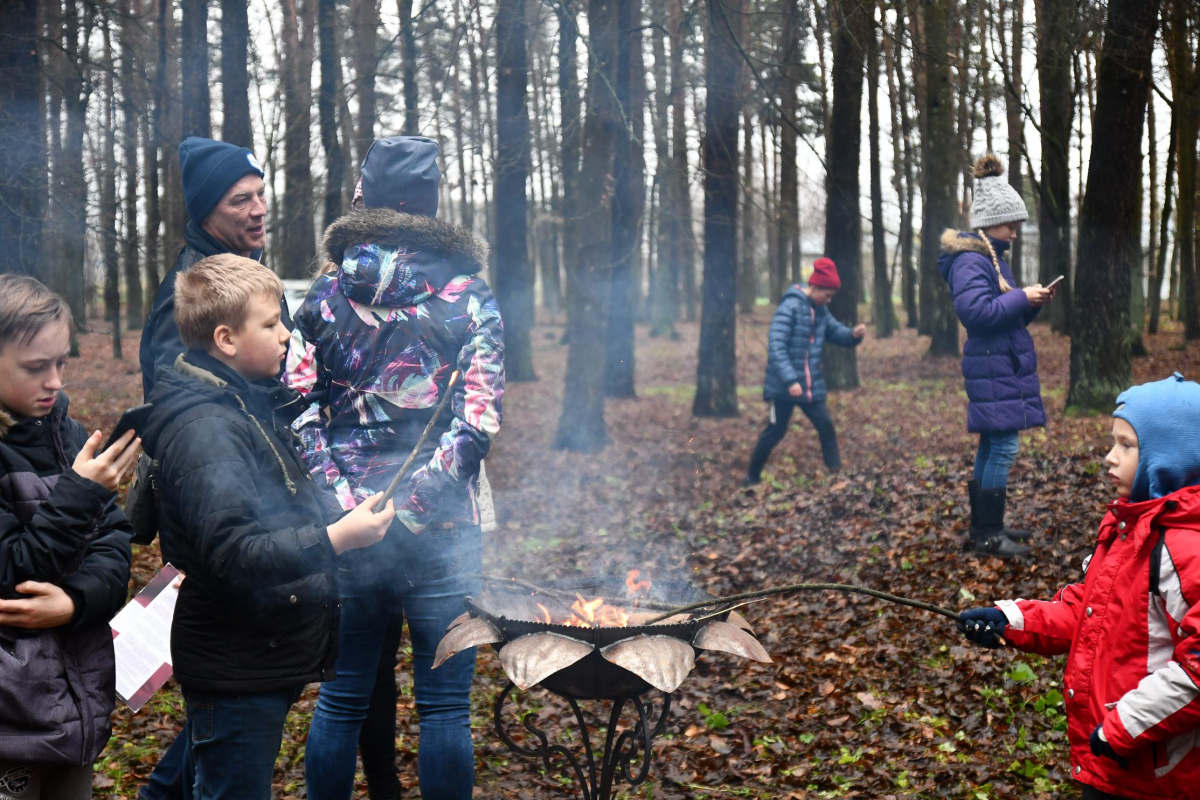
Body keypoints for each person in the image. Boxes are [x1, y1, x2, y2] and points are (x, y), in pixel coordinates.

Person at [286, 135, 504, 800]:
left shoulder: (324, 296)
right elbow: (480, 418)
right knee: (443, 707)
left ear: (367, 200)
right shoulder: (470, 296)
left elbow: (297, 412)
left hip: (354, 531)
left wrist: (349, 507)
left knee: (343, 696)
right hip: (443, 529)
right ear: (432, 205)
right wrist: (414, 507)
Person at [137, 255, 395, 800]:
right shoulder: (208, 427)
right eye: (272, 324)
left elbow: (276, 505)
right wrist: (337, 538)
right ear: (227, 339)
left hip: (252, 655)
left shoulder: (245, 402)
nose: (286, 335)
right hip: (235, 661)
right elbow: (233, 552)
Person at [957, 373, 1200, 800]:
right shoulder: (1126, 529)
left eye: (1127, 445)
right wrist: (1008, 620)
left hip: (1159, 773)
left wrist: (1125, 726)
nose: (1109, 457)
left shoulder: (1185, 550)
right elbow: (1084, 609)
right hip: (1109, 757)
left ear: (1171, 456)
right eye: (1113, 442)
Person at [0, 275, 137, 799]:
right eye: (36, 368)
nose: (55, 382)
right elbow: (13, 571)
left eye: (61, 363)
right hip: (11, 718)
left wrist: (76, 602)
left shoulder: (67, 434)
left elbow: (114, 545)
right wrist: (82, 493)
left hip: (74, 706)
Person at [939, 153, 1055, 558]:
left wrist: (1031, 303)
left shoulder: (992, 260)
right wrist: (1021, 295)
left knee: (993, 444)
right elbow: (978, 314)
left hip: (999, 365)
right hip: (991, 367)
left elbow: (1005, 318)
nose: (1015, 234)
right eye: (1011, 226)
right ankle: (988, 534)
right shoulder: (971, 261)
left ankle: (986, 528)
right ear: (989, 223)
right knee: (1003, 447)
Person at [139, 136, 291, 399]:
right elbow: (175, 406)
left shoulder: (249, 266)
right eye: (241, 200)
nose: (260, 210)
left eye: (261, 194)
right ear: (205, 213)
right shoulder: (191, 293)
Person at [745, 256, 865, 485]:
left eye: (831, 296)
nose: (828, 300)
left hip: (810, 386)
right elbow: (777, 347)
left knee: (826, 426)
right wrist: (790, 380)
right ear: (815, 287)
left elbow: (835, 332)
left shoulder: (820, 310)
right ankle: (751, 478)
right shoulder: (789, 307)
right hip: (784, 387)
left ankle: (835, 474)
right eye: (827, 295)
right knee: (775, 432)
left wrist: (853, 335)